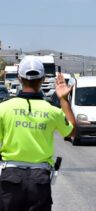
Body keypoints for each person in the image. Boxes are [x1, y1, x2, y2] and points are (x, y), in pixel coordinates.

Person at [0, 57, 76, 211]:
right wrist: (63, 99)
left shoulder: (4, 108)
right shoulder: (52, 111)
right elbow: (72, 131)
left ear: (19, 78)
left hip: (10, 177)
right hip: (39, 179)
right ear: (43, 79)